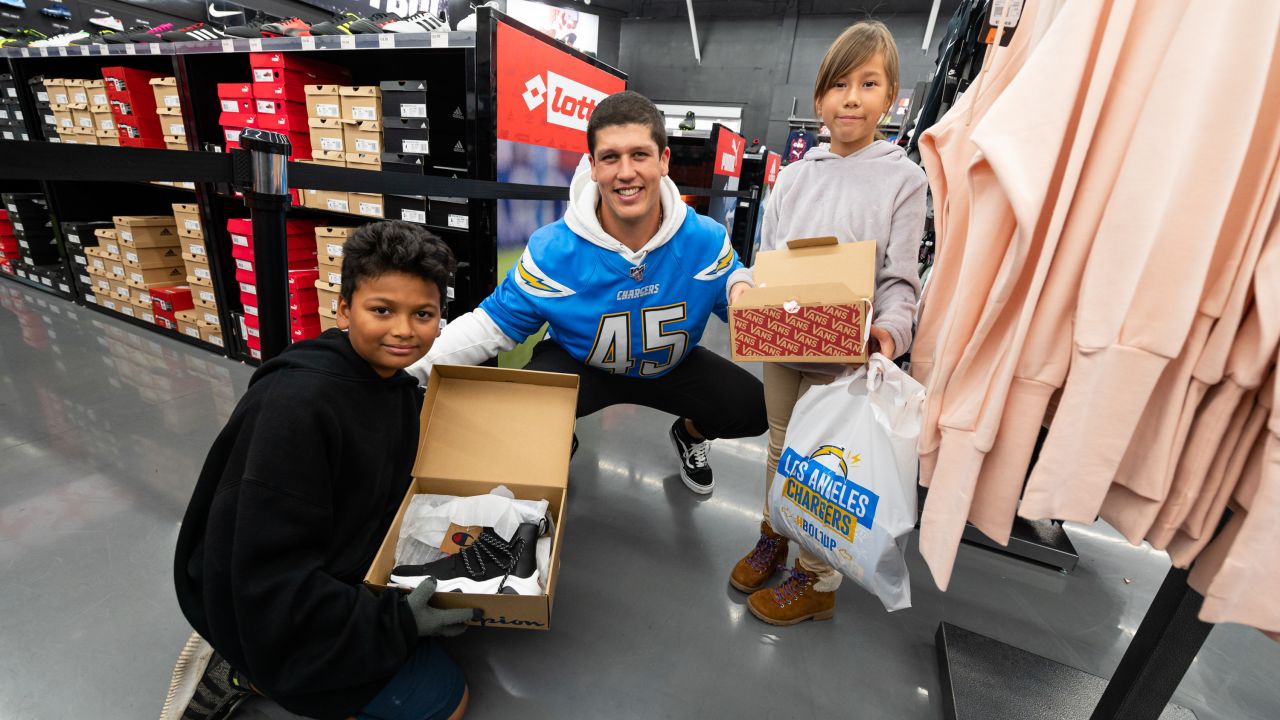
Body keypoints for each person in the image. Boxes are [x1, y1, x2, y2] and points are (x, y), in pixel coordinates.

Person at [168, 221, 479, 720]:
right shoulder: (296, 408)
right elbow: (265, 576)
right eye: (382, 310)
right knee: (445, 705)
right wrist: (394, 622)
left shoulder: (391, 386)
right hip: (270, 605)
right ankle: (243, 666)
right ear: (342, 309)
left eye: (423, 314)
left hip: (334, 568)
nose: (404, 330)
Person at [408, 90, 766, 495]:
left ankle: (690, 434)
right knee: (520, 421)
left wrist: (745, 286)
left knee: (755, 408)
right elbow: (492, 326)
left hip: (671, 365)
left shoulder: (704, 239)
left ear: (664, 161)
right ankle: (559, 439)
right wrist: (399, 366)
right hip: (583, 366)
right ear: (592, 167)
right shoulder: (555, 250)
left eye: (640, 155)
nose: (625, 172)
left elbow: (741, 305)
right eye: (611, 157)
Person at [723, 21, 927, 625]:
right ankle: (774, 537)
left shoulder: (903, 179)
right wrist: (750, 296)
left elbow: (900, 278)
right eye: (839, 85)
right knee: (781, 448)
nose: (853, 98)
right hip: (786, 343)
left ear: (891, 97)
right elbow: (770, 258)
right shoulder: (795, 175)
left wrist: (889, 333)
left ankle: (818, 580)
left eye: (869, 83)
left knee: (825, 466)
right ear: (819, 98)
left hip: (849, 353)